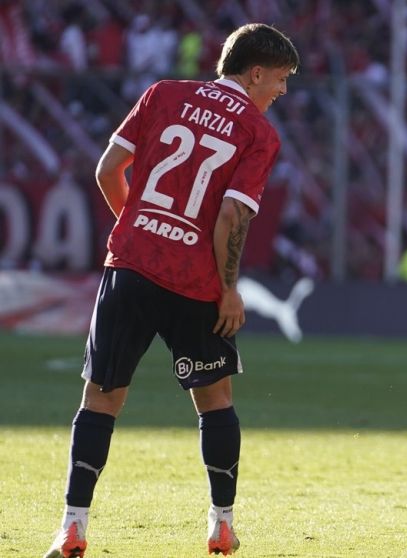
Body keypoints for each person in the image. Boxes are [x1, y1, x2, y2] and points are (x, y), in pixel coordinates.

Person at [43, 23, 299, 558]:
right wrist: (230, 289)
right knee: (215, 401)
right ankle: (221, 524)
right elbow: (230, 214)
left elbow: (109, 169)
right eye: (280, 79)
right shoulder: (257, 132)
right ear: (255, 73)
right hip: (196, 281)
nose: (282, 91)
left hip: (131, 266)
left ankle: (72, 526)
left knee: (100, 398)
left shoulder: (162, 93)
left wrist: (140, 227)